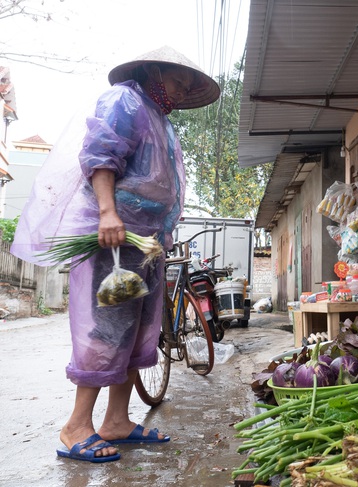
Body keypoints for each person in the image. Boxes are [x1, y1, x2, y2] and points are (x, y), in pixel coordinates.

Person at [10, 46, 220, 463]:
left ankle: (117, 420)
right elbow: (101, 155)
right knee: (106, 330)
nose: (181, 92)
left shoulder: (161, 120)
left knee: (138, 332)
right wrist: (107, 212)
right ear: (154, 71)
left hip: (146, 243)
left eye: (187, 87)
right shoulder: (124, 102)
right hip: (114, 236)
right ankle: (75, 426)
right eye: (179, 81)